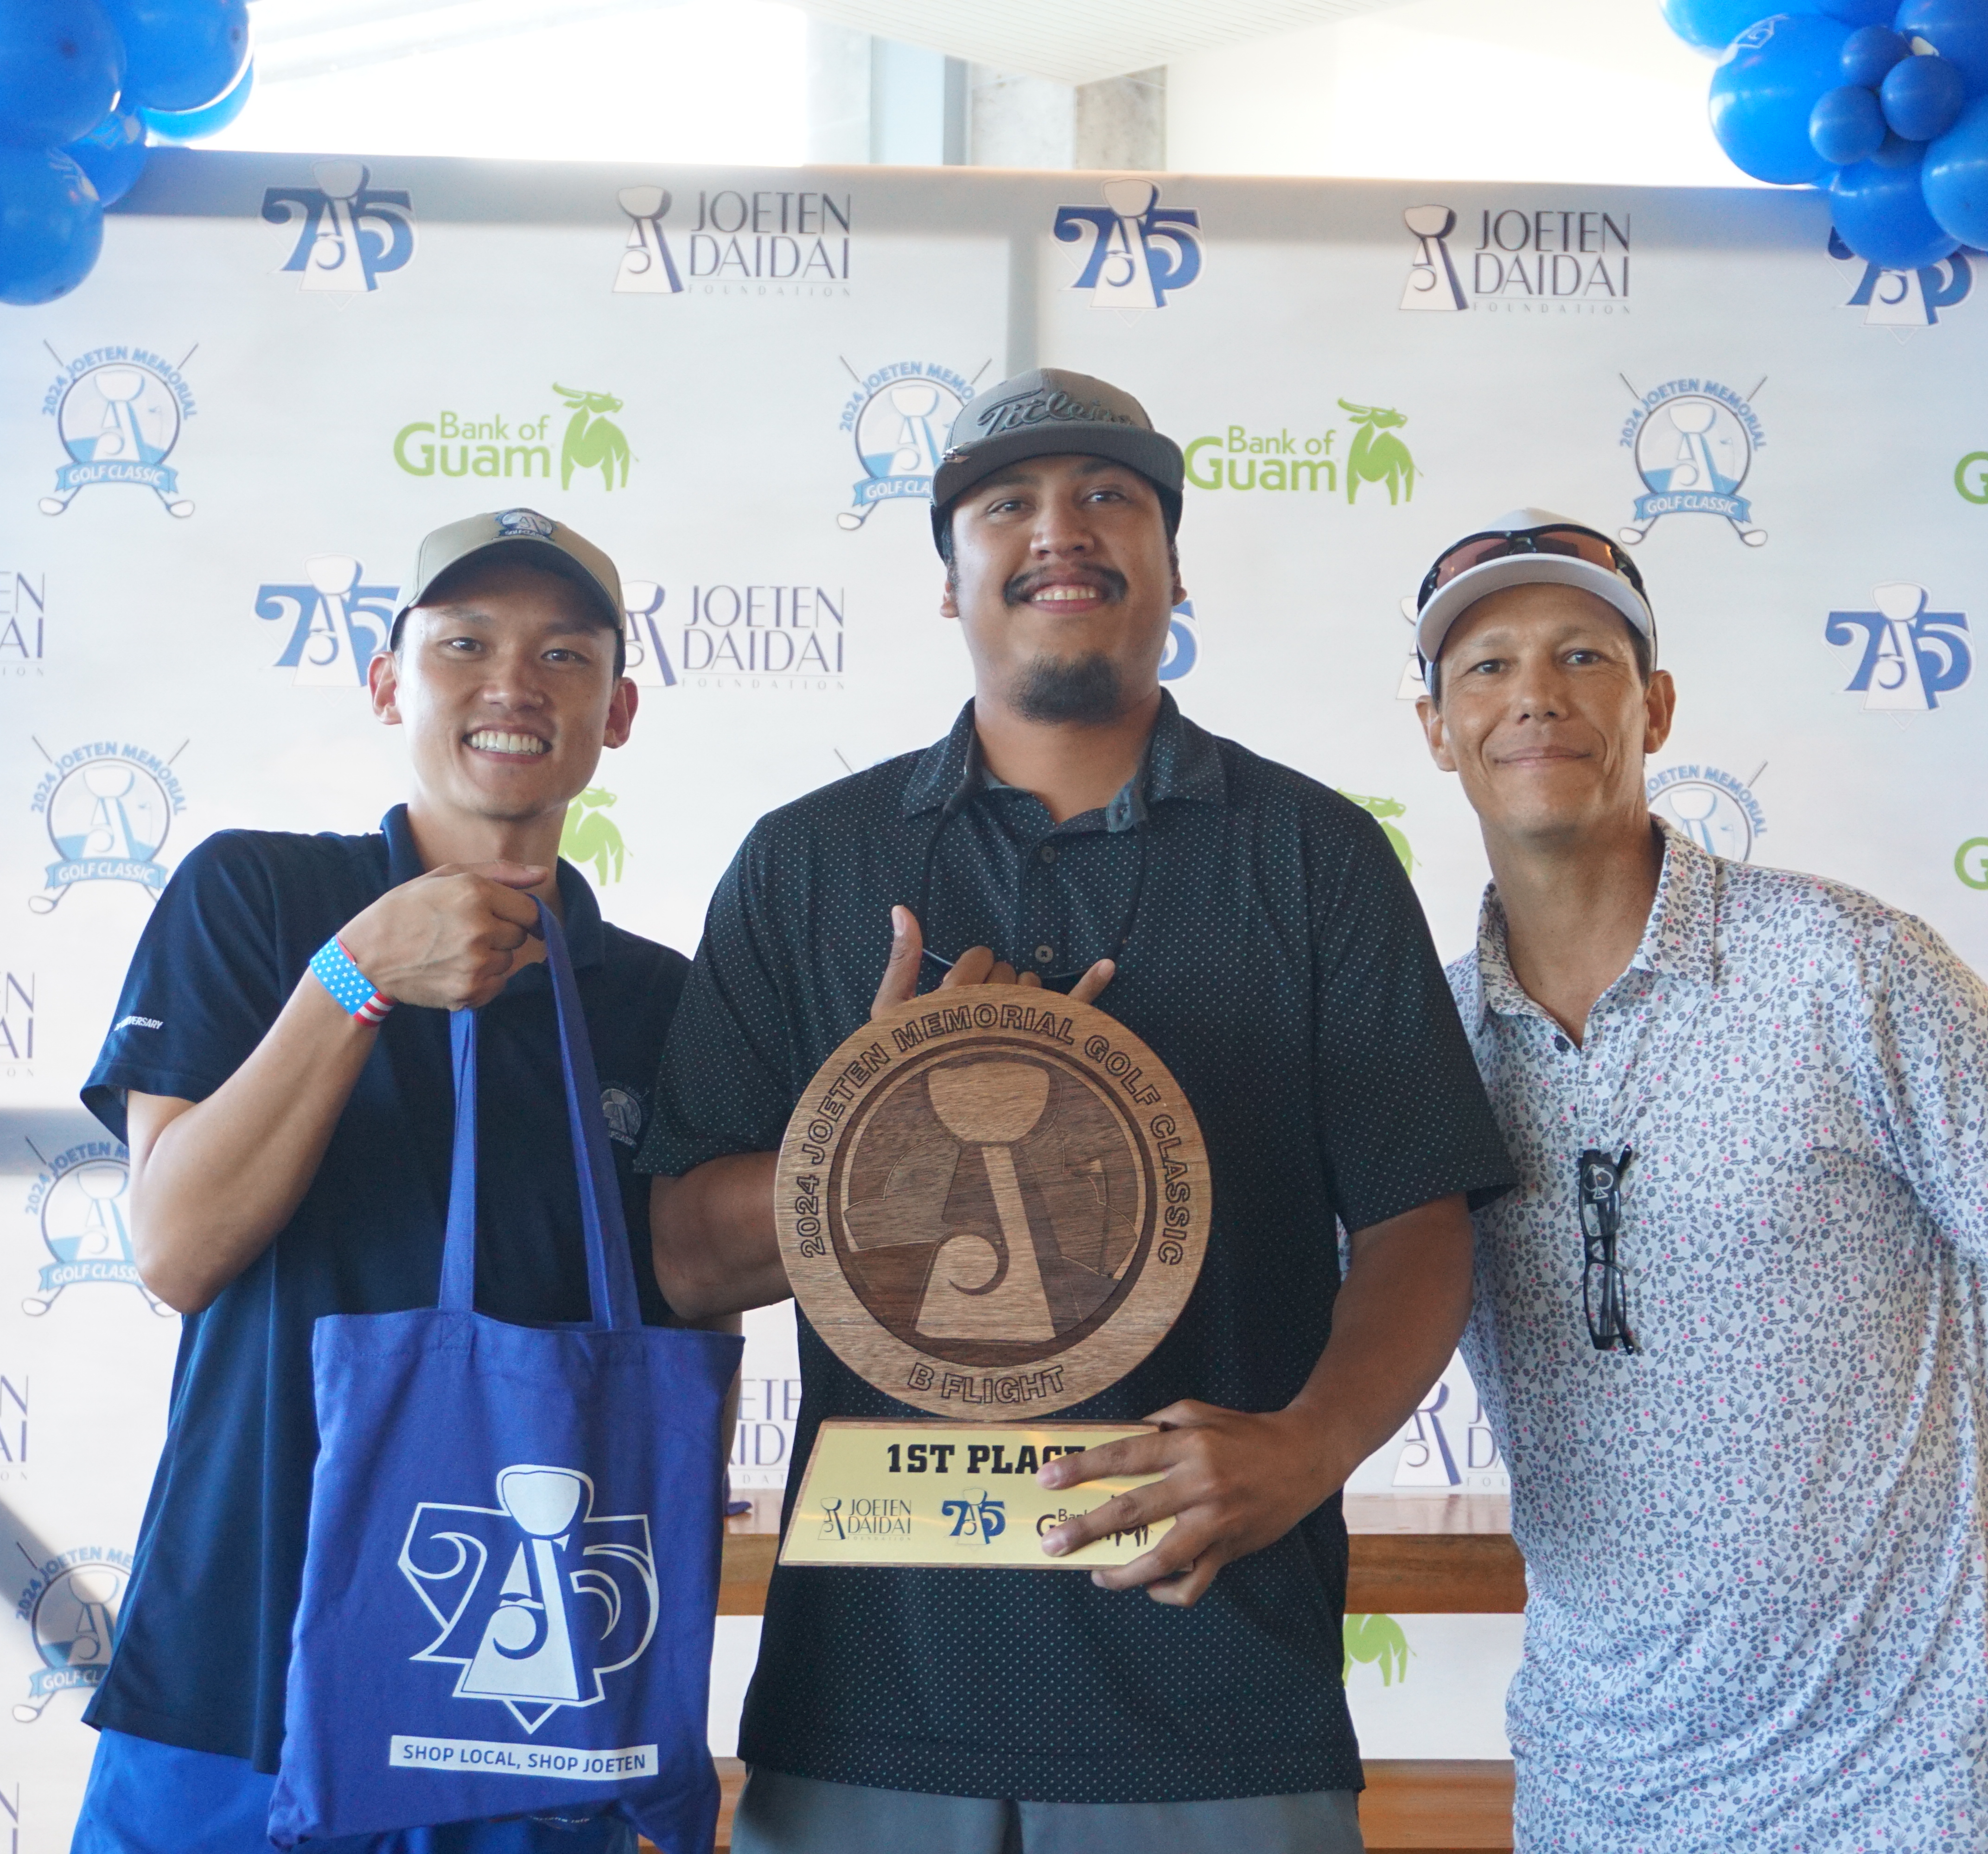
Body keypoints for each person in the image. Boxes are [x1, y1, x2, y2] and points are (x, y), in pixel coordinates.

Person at [641, 368, 1516, 1854]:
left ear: (1174, 567)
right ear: (950, 579)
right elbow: (679, 1258)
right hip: (875, 1687)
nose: (1064, 532)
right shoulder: (806, 864)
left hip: (1221, 1687)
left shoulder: (1313, 857)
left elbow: (1419, 1217)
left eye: (1112, 497)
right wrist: (868, 1129)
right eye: (1009, 503)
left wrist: (1309, 1449)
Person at [1409, 509, 1988, 1854]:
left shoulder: (1848, 967)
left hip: (1915, 1781)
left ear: (1658, 705)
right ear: (1437, 730)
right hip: (1607, 1784)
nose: (1535, 695)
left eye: (1584, 655)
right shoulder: (1426, 1044)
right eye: (1486, 667)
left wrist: (1942, 1521)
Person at [70, 509, 687, 1854]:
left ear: (619, 709)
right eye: (463, 643)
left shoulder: (656, 1000)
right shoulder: (257, 897)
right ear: (388, 681)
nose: (512, 683)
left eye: (565, 655)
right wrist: (355, 978)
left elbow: (702, 1280)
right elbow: (176, 1250)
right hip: (241, 1676)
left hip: (517, 1695)